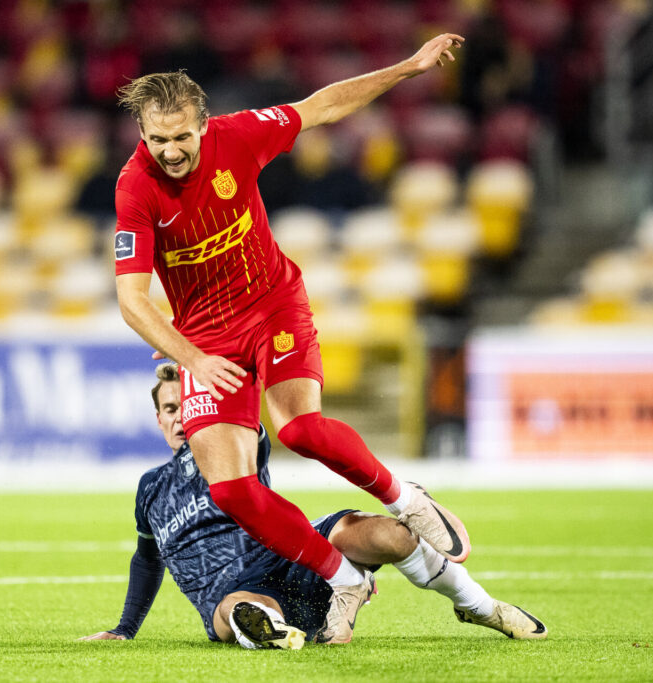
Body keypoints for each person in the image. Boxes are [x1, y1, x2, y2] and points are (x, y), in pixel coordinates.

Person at [113, 34, 470, 639]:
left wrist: (409, 68)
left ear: (204, 125)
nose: (170, 152)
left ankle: (405, 497)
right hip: (207, 337)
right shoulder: (135, 187)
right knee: (231, 490)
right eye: (157, 139)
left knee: (301, 430)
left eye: (181, 137)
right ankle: (345, 579)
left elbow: (322, 105)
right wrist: (193, 356)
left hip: (273, 304)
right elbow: (130, 300)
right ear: (142, 134)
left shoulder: (242, 134)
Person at [80, 365, 546, 647]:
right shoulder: (150, 489)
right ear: (157, 418)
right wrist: (125, 628)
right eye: (169, 409)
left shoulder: (234, 448)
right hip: (232, 595)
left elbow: (241, 409)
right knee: (244, 612)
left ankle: (481, 607)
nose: (182, 417)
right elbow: (147, 559)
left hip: (298, 554)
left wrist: (201, 367)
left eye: (188, 404)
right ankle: (277, 630)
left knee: (392, 535)